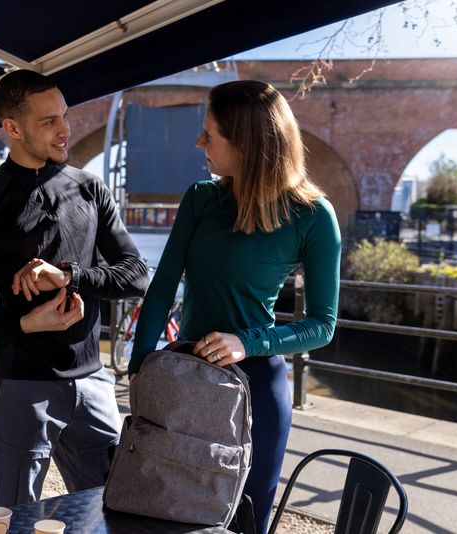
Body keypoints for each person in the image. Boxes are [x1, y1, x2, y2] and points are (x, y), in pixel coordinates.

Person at [128, 80, 341, 534]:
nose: (198, 142)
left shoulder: (314, 215)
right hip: (184, 381)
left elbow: (322, 325)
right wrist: (140, 366)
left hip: (256, 391)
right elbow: (162, 286)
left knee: (243, 524)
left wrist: (248, 342)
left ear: (246, 143)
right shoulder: (201, 199)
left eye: (210, 134)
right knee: (166, 512)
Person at [0, 69, 148, 507]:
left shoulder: (89, 188)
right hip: (19, 385)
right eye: (49, 121)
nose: (65, 129)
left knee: (112, 507)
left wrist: (71, 275)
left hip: (92, 381)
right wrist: (22, 324)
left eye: (64, 116)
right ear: (12, 128)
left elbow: (138, 275)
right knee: (15, 517)